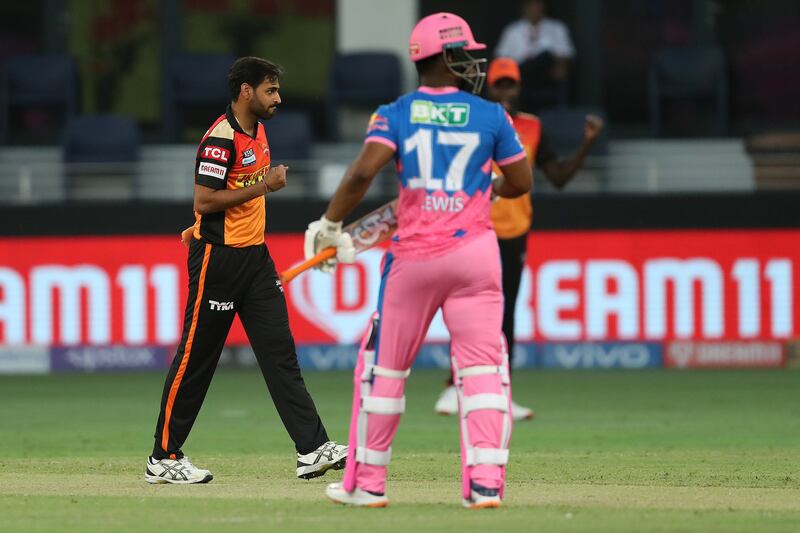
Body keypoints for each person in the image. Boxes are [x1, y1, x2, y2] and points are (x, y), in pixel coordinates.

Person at [304, 13, 533, 509]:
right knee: (484, 372)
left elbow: (363, 174)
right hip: (477, 257)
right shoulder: (494, 115)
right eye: (467, 54)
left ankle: (367, 484)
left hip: (415, 258)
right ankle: (486, 485)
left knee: (382, 371)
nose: (473, 63)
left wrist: (330, 223)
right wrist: (483, 185)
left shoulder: (397, 112)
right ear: (447, 57)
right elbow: (521, 183)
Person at [145, 56, 348, 485]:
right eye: (270, 90)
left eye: (276, 89)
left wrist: (258, 192)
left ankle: (312, 449)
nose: (278, 98)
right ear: (245, 91)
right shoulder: (219, 140)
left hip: (256, 260)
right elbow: (203, 202)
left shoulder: (260, 130)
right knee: (196, 360)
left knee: (281, 355)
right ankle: (163, 457)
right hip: (218, 260)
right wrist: (265, 186)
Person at [433, 57, 605, 421]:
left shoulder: (531, 127)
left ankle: (499, 391)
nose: (506, 91)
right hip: (472, 227)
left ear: (518, 87)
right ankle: (454, 385)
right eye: (500, 85)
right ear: (488, 86)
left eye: (511, 85)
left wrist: (586, 144)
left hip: (513, 232)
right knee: (465, 307)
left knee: (505, 313)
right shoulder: (471, 119)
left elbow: (556, 177)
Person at [495, 0, 575, 109]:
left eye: (537, 4)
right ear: (524, 7)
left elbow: (565, 53)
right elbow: (501, 57)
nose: (534, 8)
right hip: (521, 75)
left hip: (547, 75)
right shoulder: (512, 30)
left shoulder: (557, 28)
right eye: (531, 5)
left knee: (545, 57)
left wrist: (560, 66)